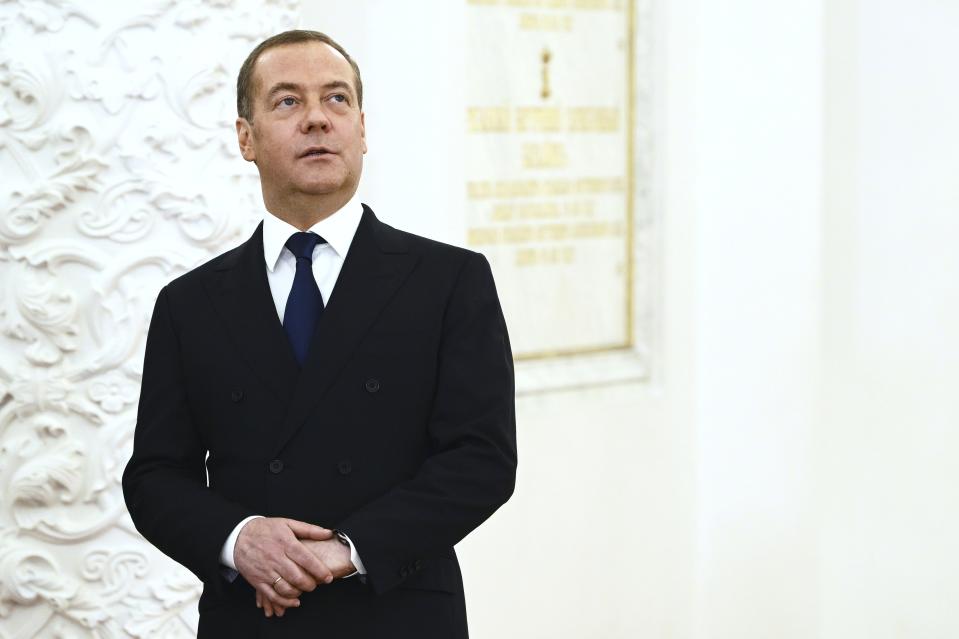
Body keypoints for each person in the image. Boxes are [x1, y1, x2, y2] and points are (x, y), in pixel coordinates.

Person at [122, 29, 516, 638]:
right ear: (245, 138)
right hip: (251, 618)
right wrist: (239, 540)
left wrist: (349, 549)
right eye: (286, 101)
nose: (316, 120)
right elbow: (154, 476)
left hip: (399, 612)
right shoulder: (189, 303)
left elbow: (482, 459)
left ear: (362, 128)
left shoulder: (449, 280)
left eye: (336, 99)